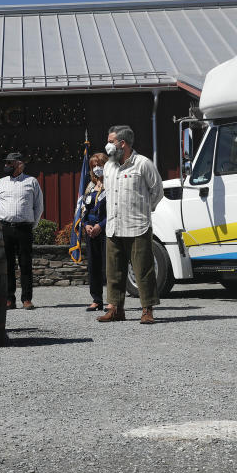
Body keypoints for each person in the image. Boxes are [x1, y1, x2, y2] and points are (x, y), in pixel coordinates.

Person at [98, 125, 163, 325]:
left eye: (111, 142)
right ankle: (115, 309)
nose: (108, 146)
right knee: (114, 271)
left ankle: (147, 309)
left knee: (143, 269)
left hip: (137, 226)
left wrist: (144, 211)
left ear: (122, 143)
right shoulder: (109, 166)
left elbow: (157, 191)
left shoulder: (143, 164)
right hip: (114, 226)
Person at [0, 152, 44, 310]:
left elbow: (38, 206)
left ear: (20, 164)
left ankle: (26, 299)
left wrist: (31, 225)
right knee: (7, 265)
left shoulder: (31, 182)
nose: (7, 166)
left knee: (25, 264)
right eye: (6, 163)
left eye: (10, 163)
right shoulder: (0, 183)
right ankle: (9, 298)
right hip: (6, 228)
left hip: (24, 228)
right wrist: (3, 220)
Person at [82, 152, 108, 311]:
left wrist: (101, 225)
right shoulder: (90, 186)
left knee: (108, 266)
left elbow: (113, 210)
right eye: (93, 166)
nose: (97, 169)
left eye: (99, 165)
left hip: (105, 229)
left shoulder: (112, 185)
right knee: (93, 266)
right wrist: (86, 225)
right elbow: (84, 209)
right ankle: (96, 299)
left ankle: (113, 300)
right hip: (90, 230)